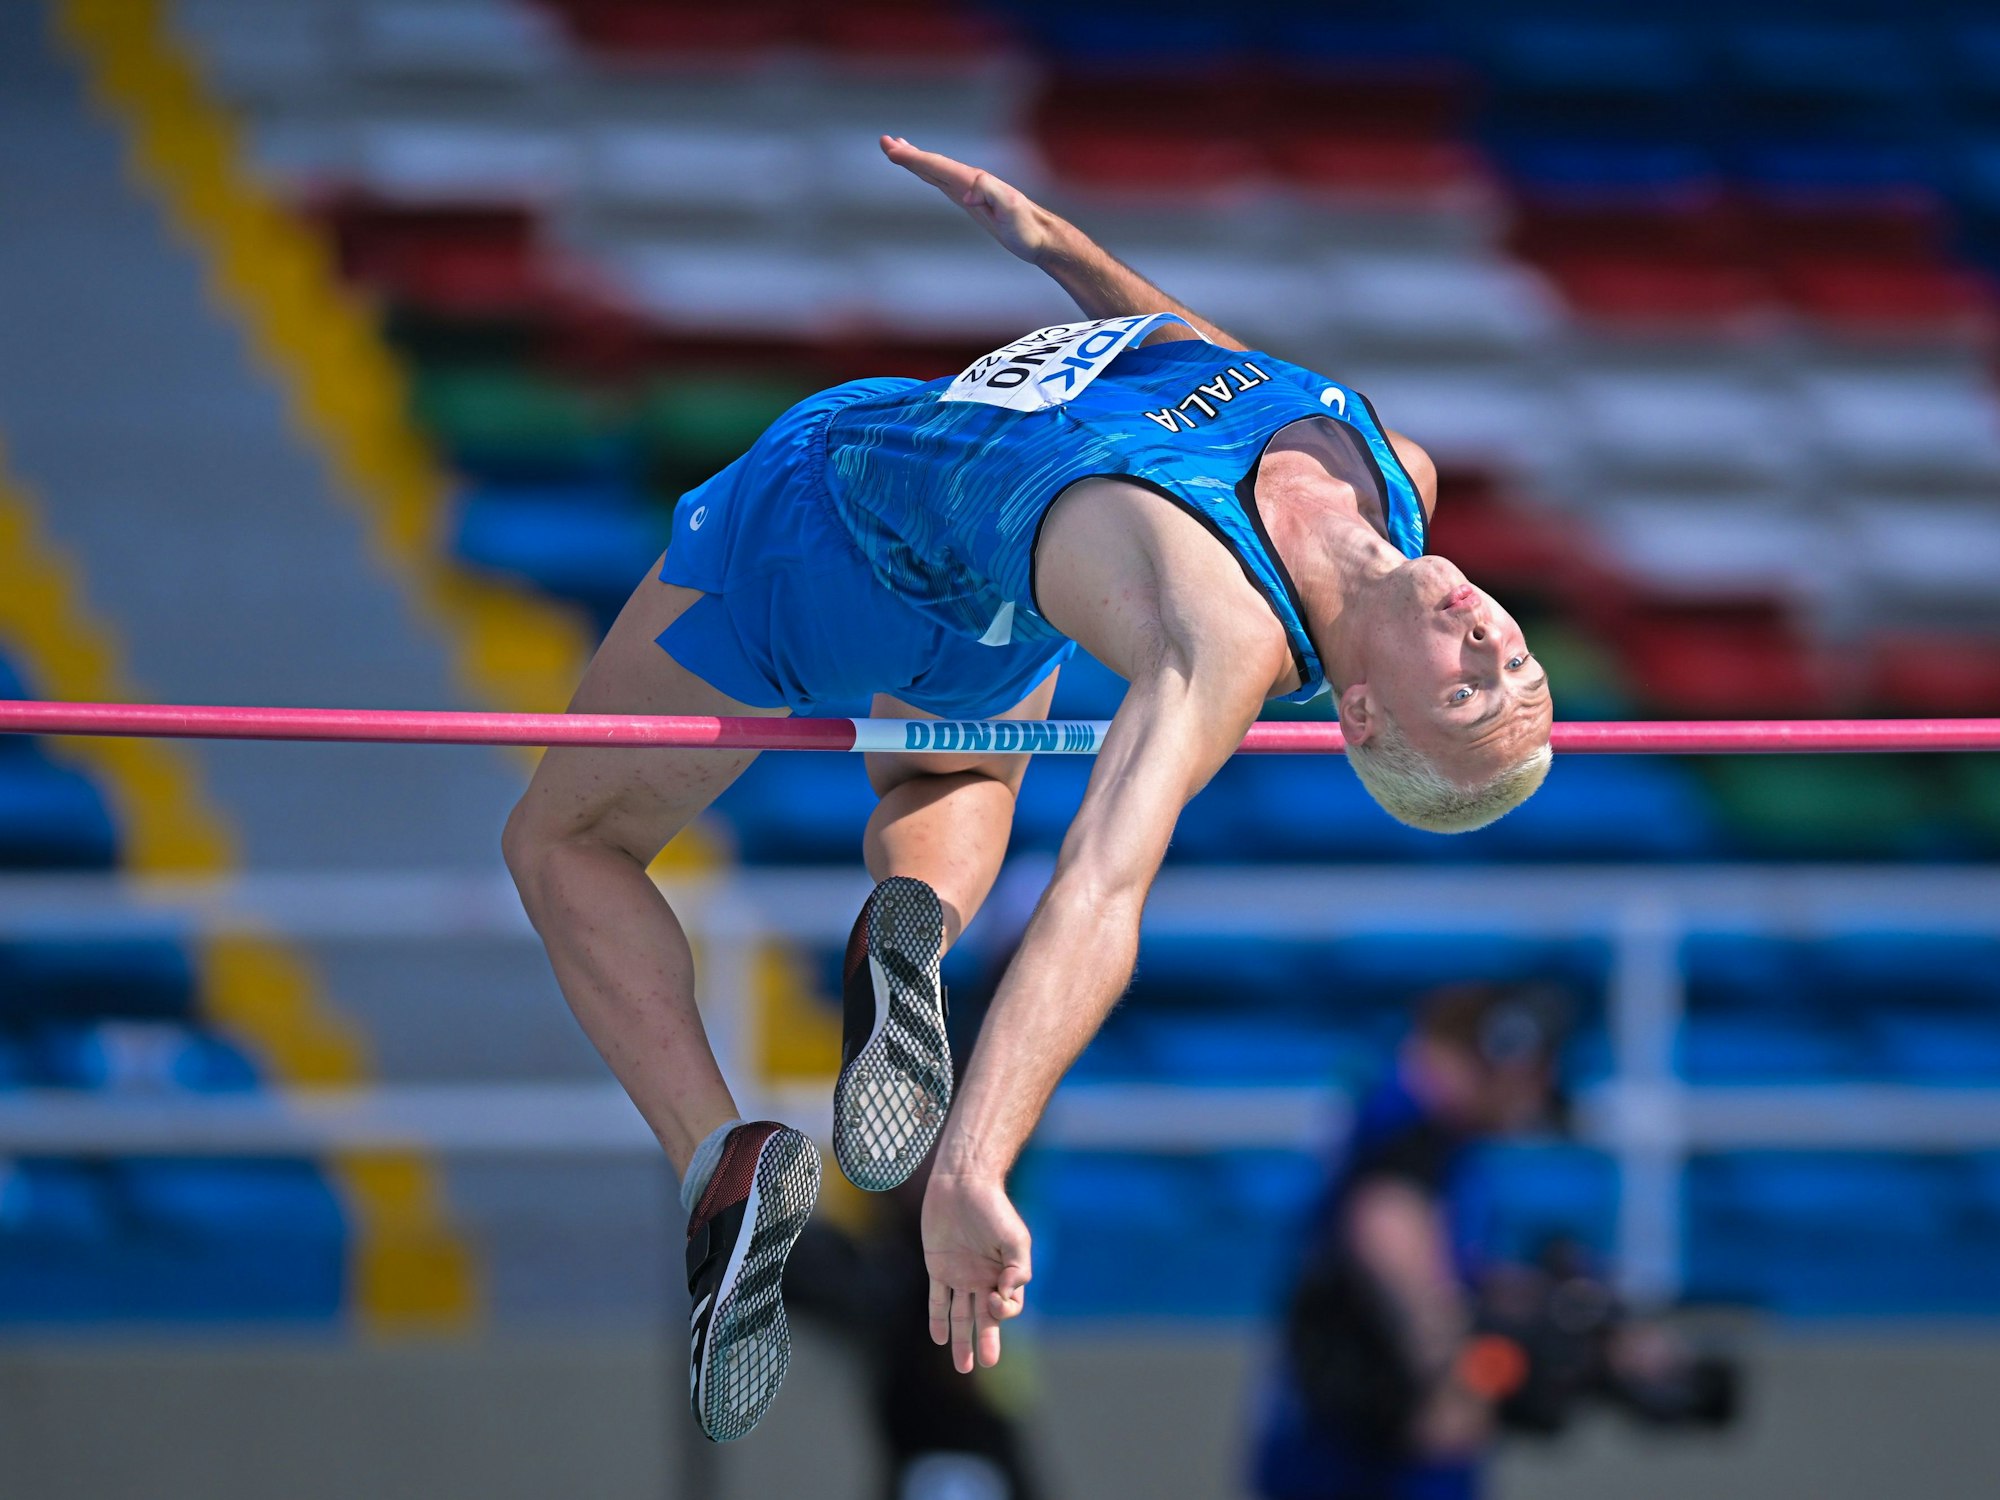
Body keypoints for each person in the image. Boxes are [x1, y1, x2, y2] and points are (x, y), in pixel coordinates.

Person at [501, 136, 1555, 1443]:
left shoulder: (1218, 642)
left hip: (827, 518)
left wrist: (977, 1157)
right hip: (991, 612)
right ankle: (917, 929)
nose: (1490, 643)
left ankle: (719, 1157)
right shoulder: (1391, 473)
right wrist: (1058, 250)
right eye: (1515, 663)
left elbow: (1104, 891)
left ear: (1360, 713)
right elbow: (1207, 363)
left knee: (565, 844)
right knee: (950, 774)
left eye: (1467, 688)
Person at [1255, 985, 1733, 1500]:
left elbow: (1443, 1259)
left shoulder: (1426, 1134)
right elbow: (1386, 1220)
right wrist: (1442, 1348)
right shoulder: (1409, 1125)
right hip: (1362, 1455)